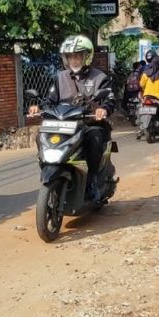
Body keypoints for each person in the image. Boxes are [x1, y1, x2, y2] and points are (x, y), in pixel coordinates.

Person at [29, 35, 115, 199]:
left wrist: (103, 109)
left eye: (77, 56)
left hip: (89, 123)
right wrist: (37, 107)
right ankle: (51, 167)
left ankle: (93, 179)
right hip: (64, 123)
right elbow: (50, 100)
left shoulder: (99, 78)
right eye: (70, 56)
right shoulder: (60, 77)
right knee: (41, 136)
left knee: (95, 138)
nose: (74, 60)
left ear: (86, 56)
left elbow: (110, 100)